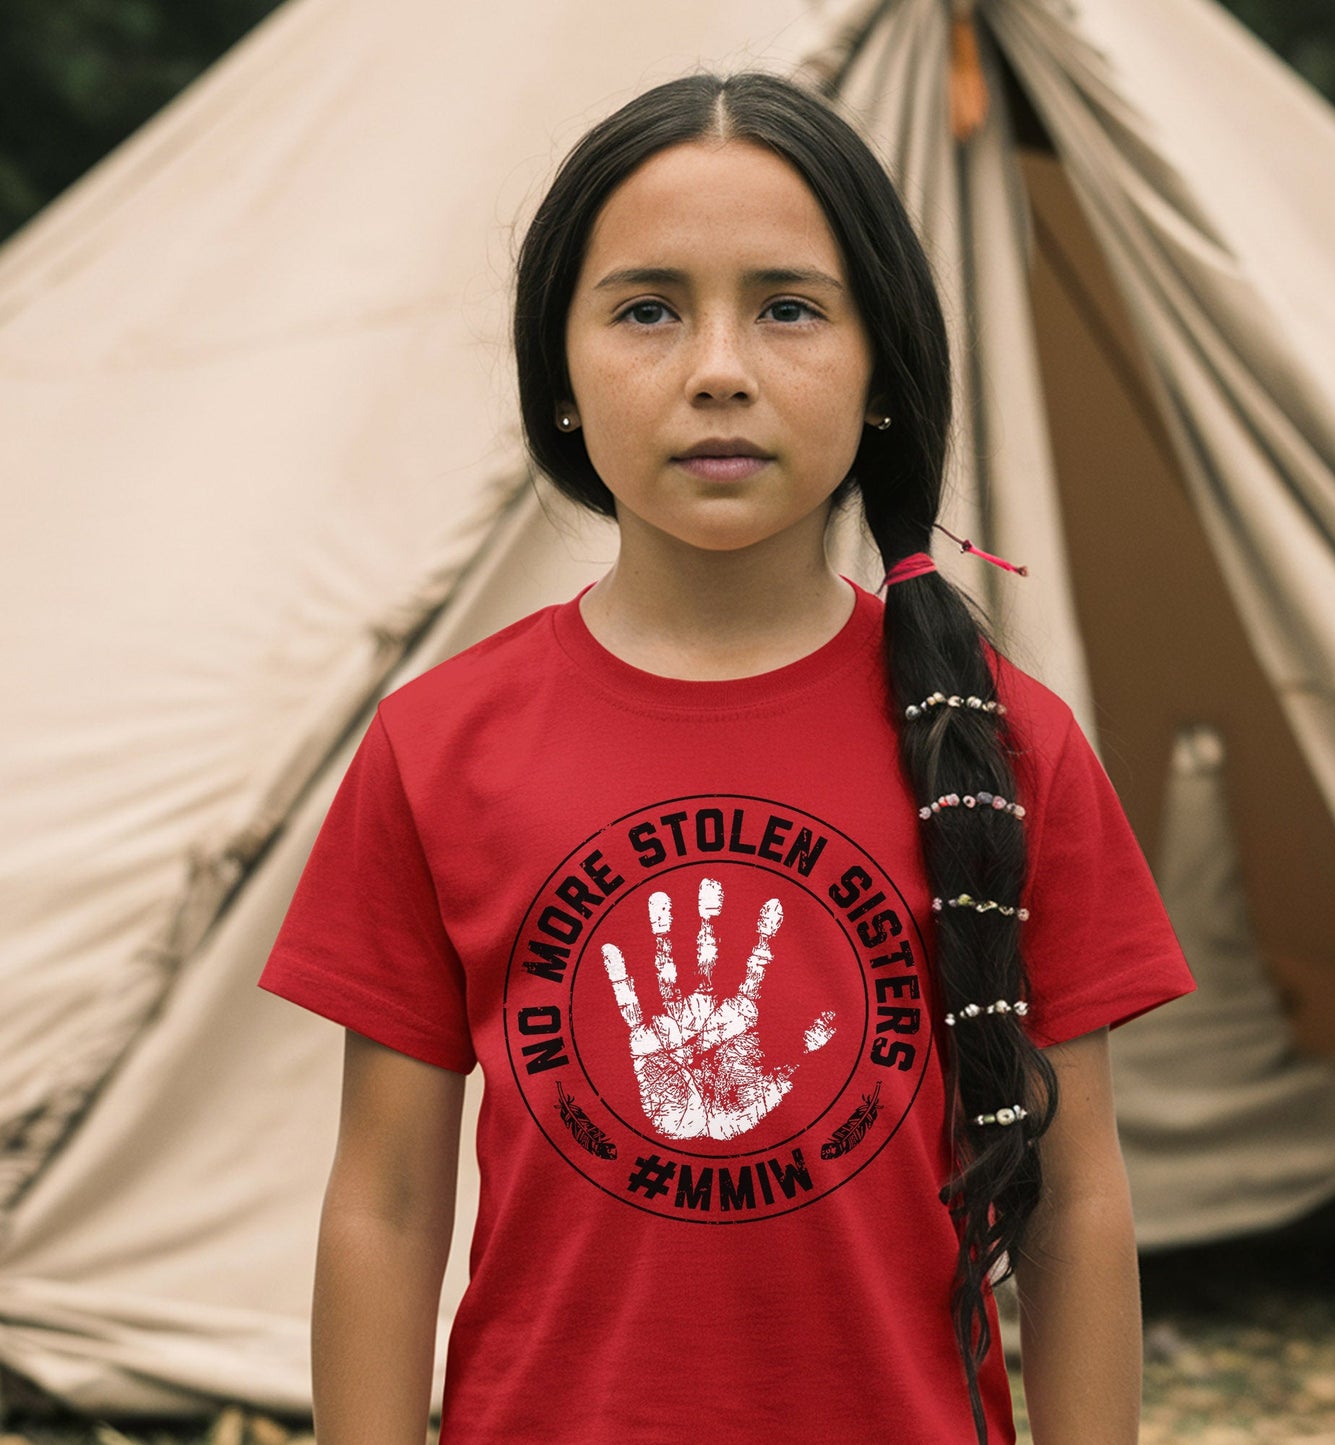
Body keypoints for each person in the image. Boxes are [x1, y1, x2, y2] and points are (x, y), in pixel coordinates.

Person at [260, 70, 1194, 1445]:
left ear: (881, 369)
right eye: (646, 308)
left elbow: (1077, 1200)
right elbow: (386, 1202)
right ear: (558, 376)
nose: (716, 366)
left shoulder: (1006, 743)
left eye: (788, 307)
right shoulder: (435, 745)